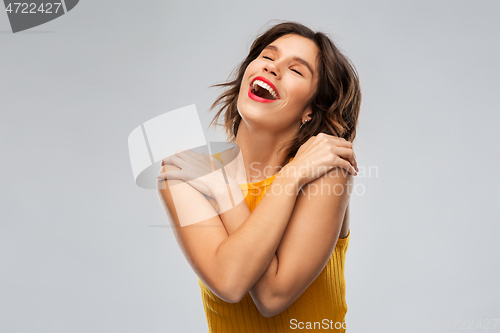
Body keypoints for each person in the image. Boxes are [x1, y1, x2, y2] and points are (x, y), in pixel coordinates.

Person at [157, 20, 361, 333]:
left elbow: (273, 296)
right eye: (267, 57)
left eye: (296, 70)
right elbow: (230, 280)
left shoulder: (326, 172)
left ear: (311, 109)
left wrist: (283, 178)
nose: (273, 69)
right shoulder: (184, 176)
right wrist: (281, 180)